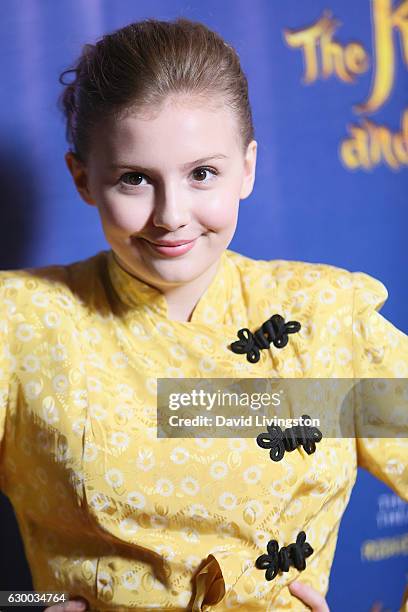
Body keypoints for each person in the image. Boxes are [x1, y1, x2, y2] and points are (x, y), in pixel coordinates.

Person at [0, 16, 407, 612]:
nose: (172, 215)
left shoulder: (329, 318)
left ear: (247, 167)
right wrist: (17, 604)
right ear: (84, 178)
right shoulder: (21, 323)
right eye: (135, 179)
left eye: (202, 174)